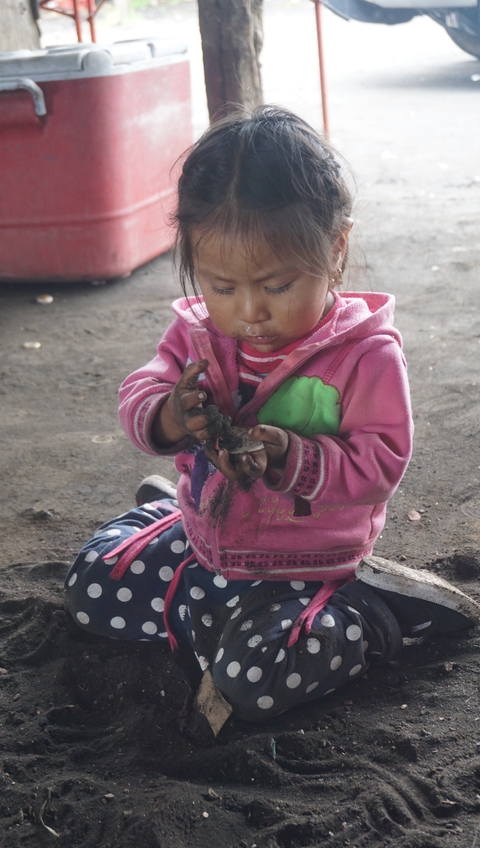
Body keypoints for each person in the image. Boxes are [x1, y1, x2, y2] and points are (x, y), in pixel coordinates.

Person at [65, 106, 480, 722]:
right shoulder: (199, 334)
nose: (250, 312)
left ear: (335, 250)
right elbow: (141, 390)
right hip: (208, 543)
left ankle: (371, 609)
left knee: (253, 679)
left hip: (309, 565)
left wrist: (291, 456)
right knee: (89, 588)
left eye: (277, 286)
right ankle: (181, 538)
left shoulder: (364, 356)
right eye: (222, 287)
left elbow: (380, 464)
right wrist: (170, 416)